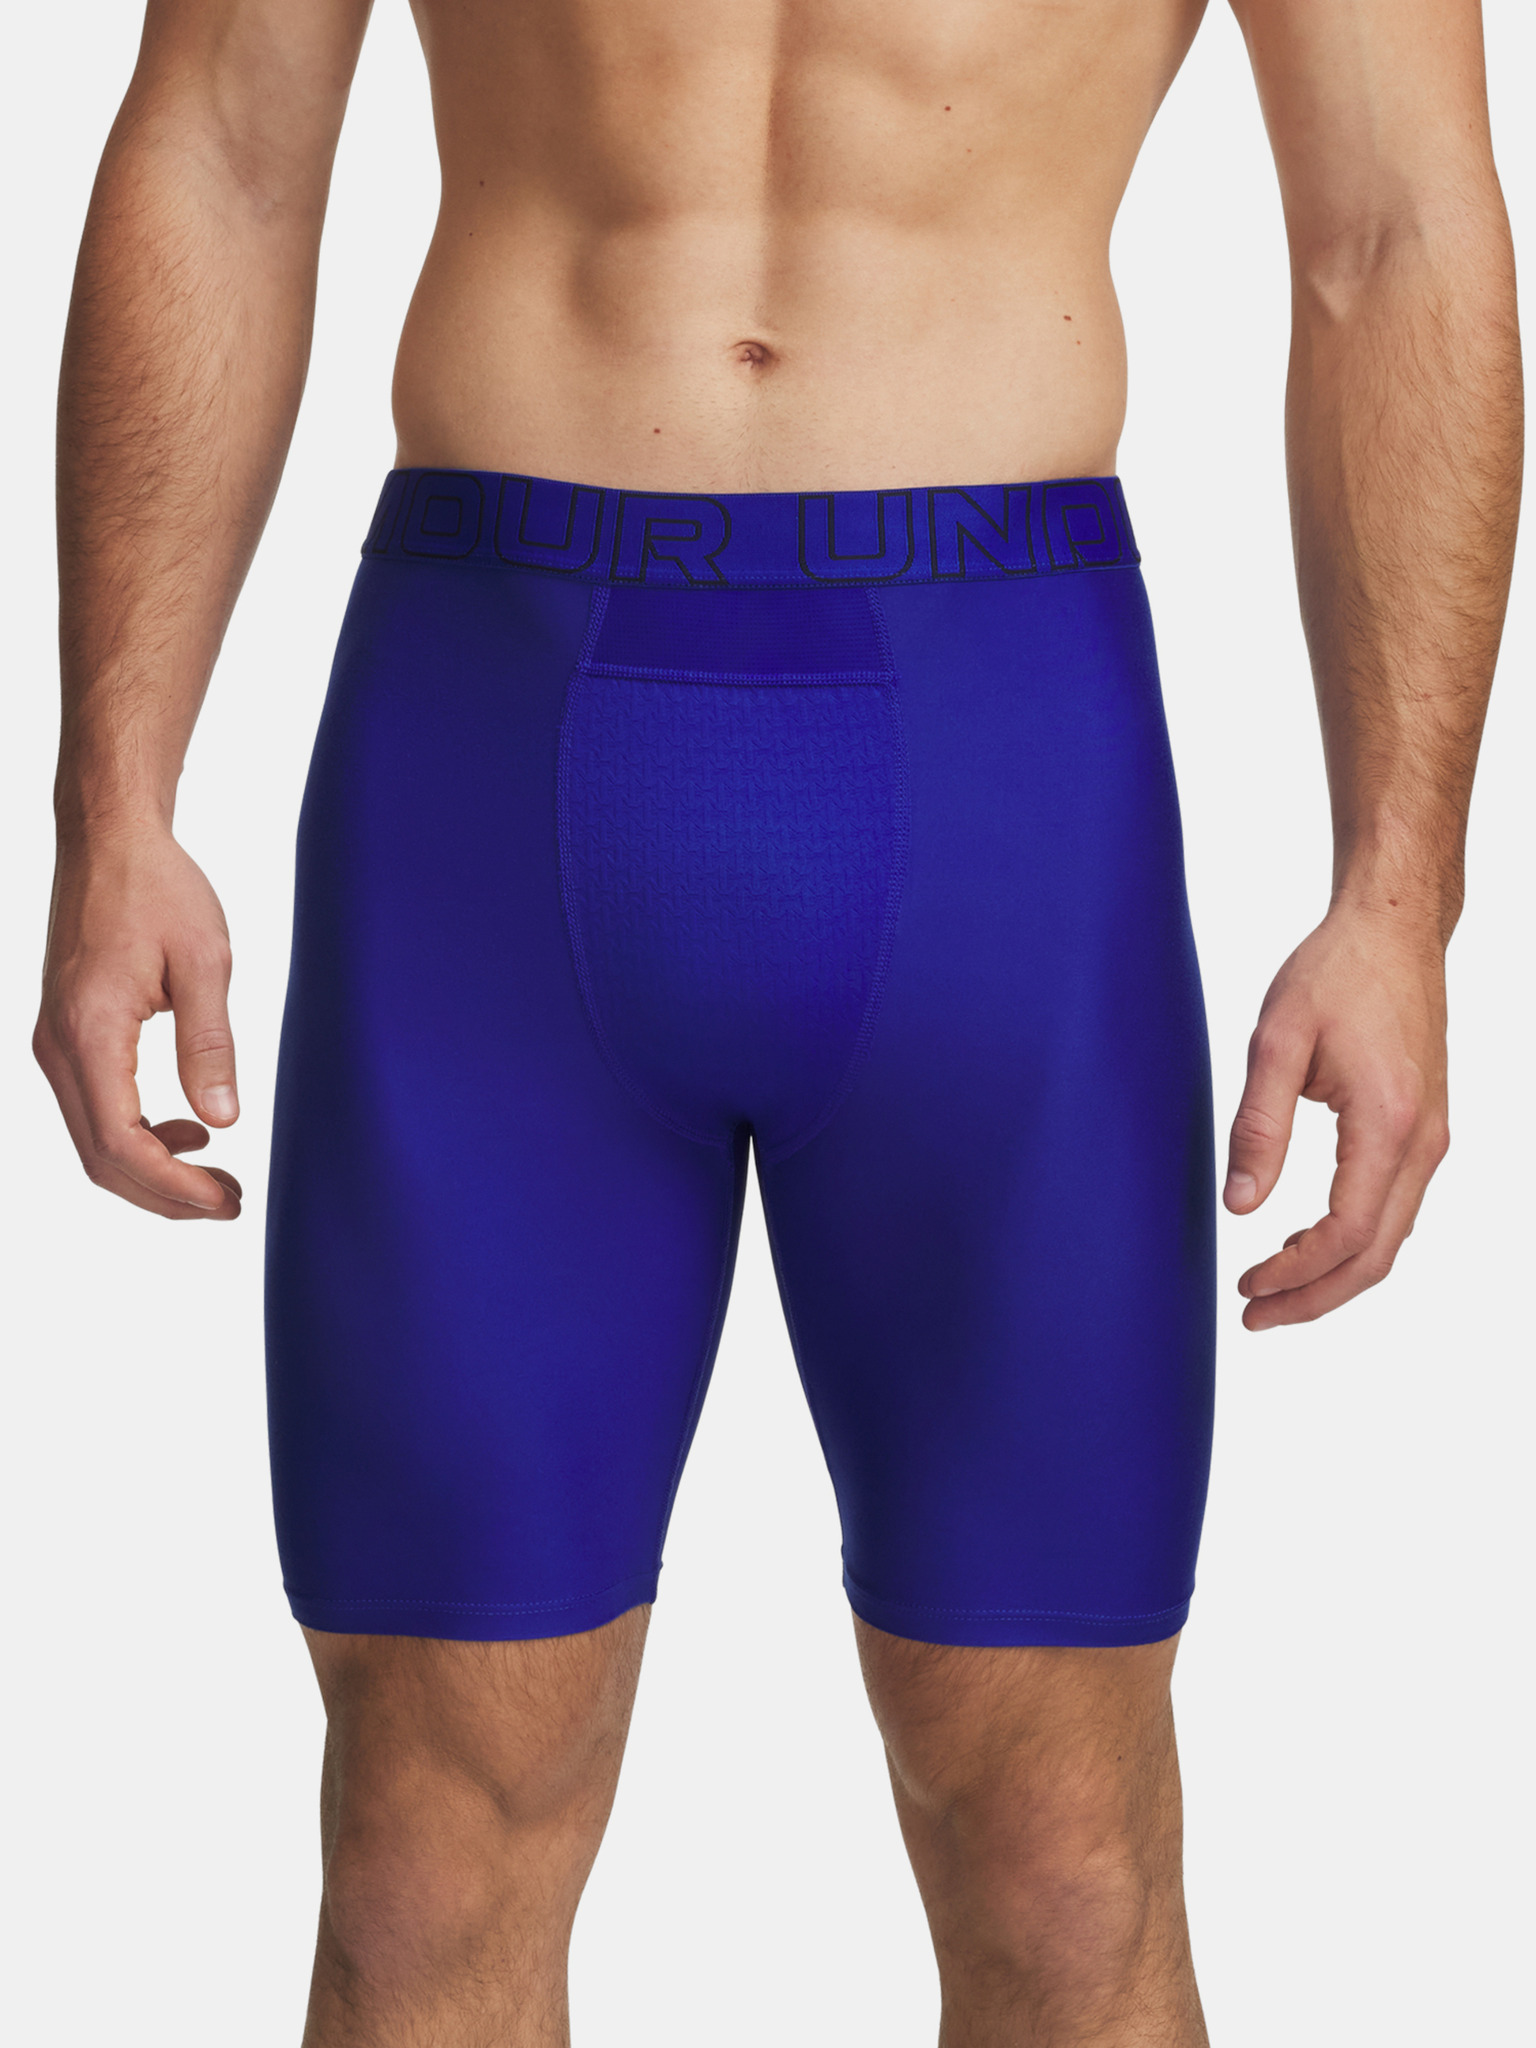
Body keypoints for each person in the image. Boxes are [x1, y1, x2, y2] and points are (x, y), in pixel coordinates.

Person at [33, 0, 1519, 2039]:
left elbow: (1395, 227)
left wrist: (1401, 895)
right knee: (416, 1861)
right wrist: (113, 802)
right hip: (488, 747)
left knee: (1063, 1859)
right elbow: (221, 144)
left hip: (998, 765)